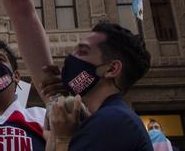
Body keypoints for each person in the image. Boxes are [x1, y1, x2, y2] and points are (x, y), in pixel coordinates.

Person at [47, 21, 153, 151]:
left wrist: (61, 139)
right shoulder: (113, 117)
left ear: (111, 69)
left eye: (82, 52)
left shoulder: (113, 120)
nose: (70, 58)